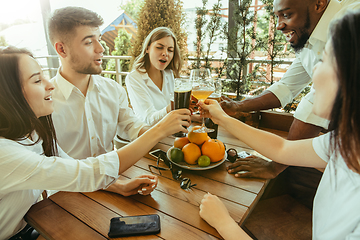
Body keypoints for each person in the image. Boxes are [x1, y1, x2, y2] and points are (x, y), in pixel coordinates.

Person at [199, 9, 360, 239]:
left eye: (324, 59)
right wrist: (223, 117)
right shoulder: (346, 143)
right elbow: (282, 149)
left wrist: (224, 224)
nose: (314, 69)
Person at [0, 46, 190, 240]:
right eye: (37, 80)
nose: (50, 85)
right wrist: (160, 130)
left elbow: (75, 168)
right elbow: (87, 172)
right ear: (8, 94)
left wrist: (118, 186)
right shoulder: (5, 153)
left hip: (30, 225)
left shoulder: (33, 132)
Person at [47, 7, 179, 196]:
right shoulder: (44, 102)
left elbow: (134, 128)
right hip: (66, 197)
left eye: (99, 39)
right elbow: (54, 168)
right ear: (61, 49)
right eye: (88, 42)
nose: (101, 48)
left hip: (111, 185)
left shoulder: (113, 90)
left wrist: (179, 148)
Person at [125, 27, 182, 126]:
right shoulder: (134, 78)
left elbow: (175, 114)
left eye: (170, 50)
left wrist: (195, 116)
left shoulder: (169, 74)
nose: (165, 53)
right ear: (147, 48)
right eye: (159, 47)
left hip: (170, 132)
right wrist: (171, 108)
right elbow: (148, 119)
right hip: (149, 136)